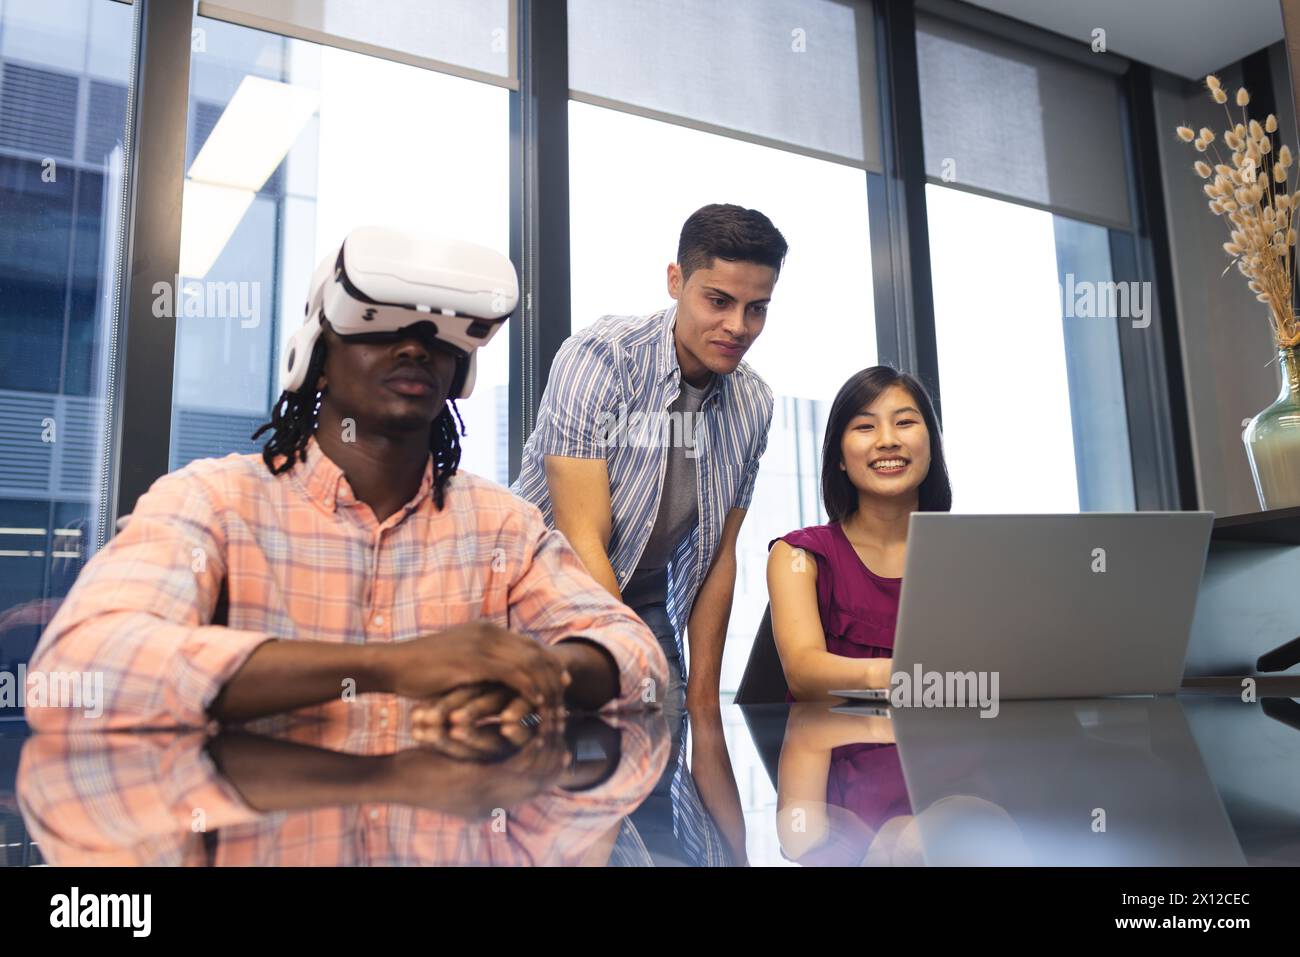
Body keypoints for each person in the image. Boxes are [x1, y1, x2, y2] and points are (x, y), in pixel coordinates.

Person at [26, 227, 667, 732]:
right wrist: (391, 667)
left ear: (459, 374)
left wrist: (542, 672)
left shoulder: (504, 527)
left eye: (436, 337)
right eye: (381, 327)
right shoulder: (213, 502)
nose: (415, 348)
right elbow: (78, 669)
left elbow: (637, 661)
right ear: (318, 358)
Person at [512, 203, 785, 709]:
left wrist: (703, 706)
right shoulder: (600, 357)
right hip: (537, 591)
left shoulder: (754, 403)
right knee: (543, 757)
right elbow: (581, 539)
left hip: (643, 600)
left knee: (672, 733)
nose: (738, 327)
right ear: (676, 281)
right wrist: (629, 664)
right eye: (719, 301)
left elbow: (719, 560)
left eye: (757, 308)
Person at [767, 367, 952, 700]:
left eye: (905, 423)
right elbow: (802, 672)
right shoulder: (798, 556)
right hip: (837, 746)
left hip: (952, 746)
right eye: (865, 427)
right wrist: (908, 677)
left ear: (931, 443)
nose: (888, 441)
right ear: (839, 456)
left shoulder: (972, 555)